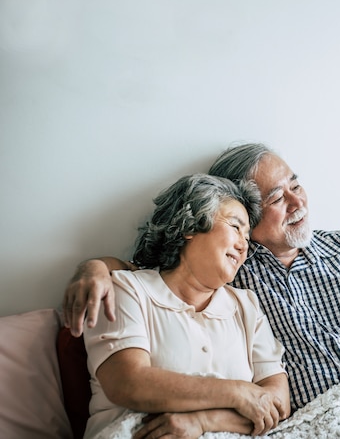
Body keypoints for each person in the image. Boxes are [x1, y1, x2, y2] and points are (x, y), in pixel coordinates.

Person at [64, 143, 340, 416]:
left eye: (296, 184)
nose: (297, 200)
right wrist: (95, 267)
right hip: (318, 418)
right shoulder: (233, 267)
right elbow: (158, 271)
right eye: (277, 197)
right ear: (247, 219)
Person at [81, 173, 290, 439]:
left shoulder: (246, 305)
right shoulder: (127, 290)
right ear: (190, 226)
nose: (242, 246)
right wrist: (238, 392)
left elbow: (277, 404)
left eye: (247, 238)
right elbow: (126, 383)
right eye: (235, 227)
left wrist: (204, 421)